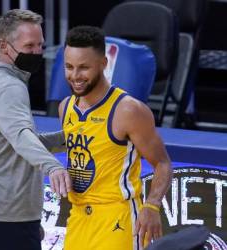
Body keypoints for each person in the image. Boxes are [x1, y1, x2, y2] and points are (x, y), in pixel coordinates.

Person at [58, 26, 173, 250]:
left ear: (103, 64)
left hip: (117, 218)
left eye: (83, 68)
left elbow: (163, 163)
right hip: (78, 216)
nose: (75, 76)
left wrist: (152, 205)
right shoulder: (65, 107)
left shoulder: (128, 110)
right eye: (69, 67)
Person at [0, 9, 72, 250]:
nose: (37, 52)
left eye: (40, 45)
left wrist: (71, 138)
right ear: (4, 45)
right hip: (7, 220)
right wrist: (52, 166)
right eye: (29, 45)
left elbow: (16, 144)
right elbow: (22, 137)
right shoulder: (10, 88)